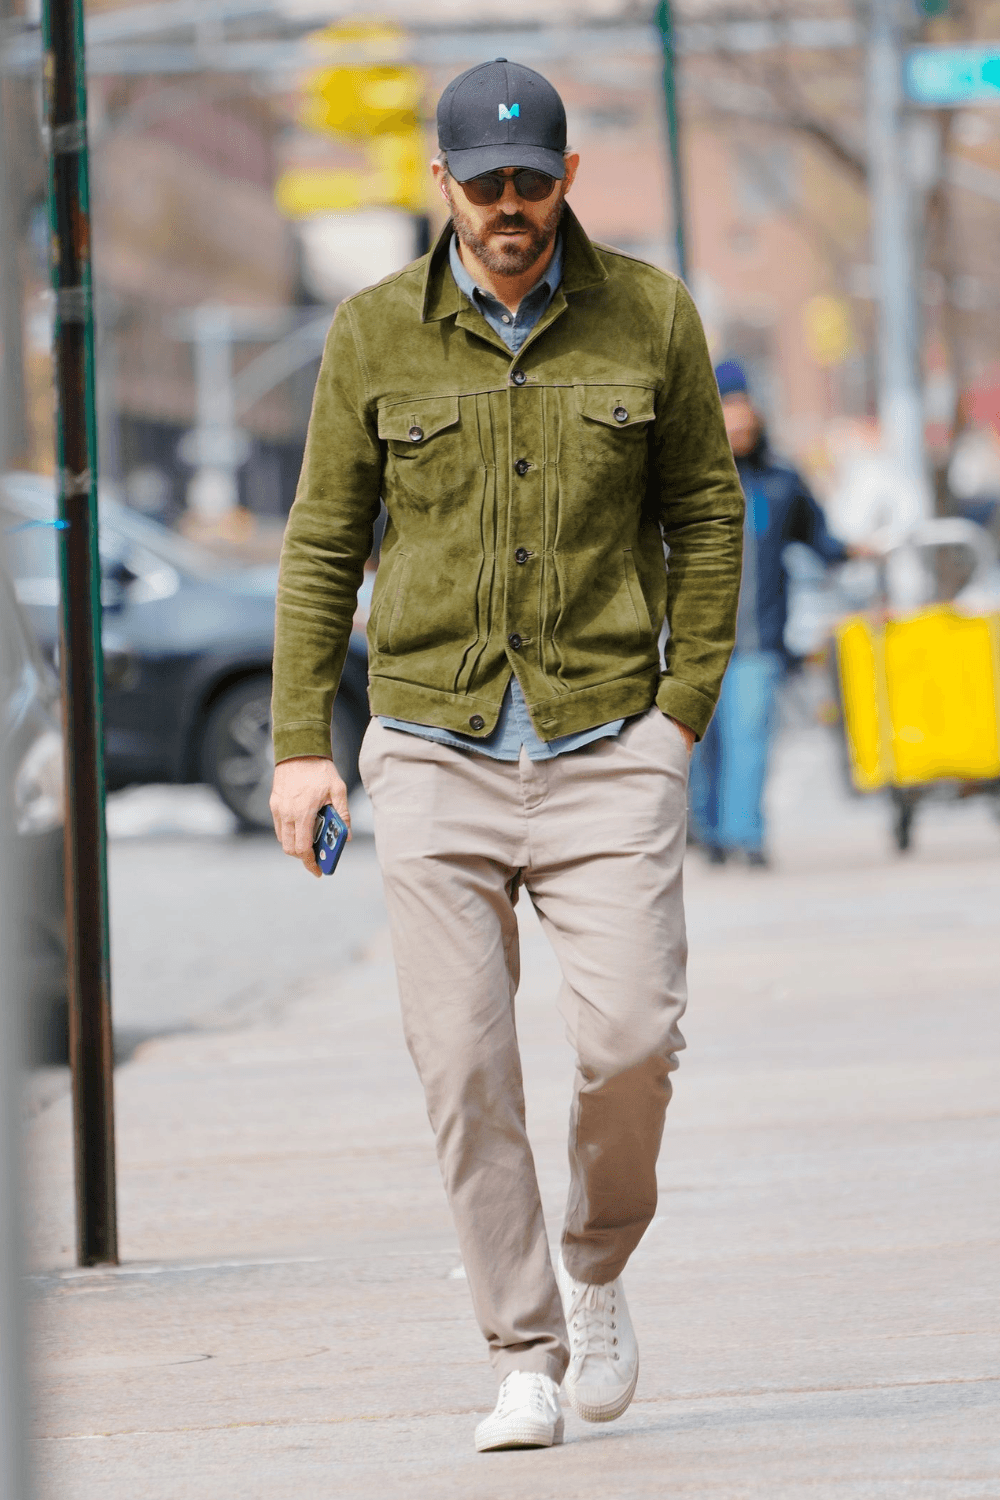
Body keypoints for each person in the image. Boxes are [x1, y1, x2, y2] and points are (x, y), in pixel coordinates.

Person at [269, 59, 743, 1453]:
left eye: (532, 183)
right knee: (463, 1065)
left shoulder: (650, 315)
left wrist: (684, 712)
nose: (510, 208)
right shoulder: (372, 336)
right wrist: (306, 746)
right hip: (432, 743)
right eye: (485, 185)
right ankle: (523, 1347)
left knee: (631, 1042)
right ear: (443, 186)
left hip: (609, 741)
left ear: (570, 180)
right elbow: (319, 547)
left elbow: (708, 517)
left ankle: (594, 1267)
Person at [689, 359, 849, 867]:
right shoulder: (684, 476)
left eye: (743, 406)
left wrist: (857, 554)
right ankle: (709, 831)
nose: (738, 418)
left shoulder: (781, 481)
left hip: (758, 638)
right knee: (701, 747)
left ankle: (747, 836)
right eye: (726, 407)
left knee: (751, 736)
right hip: (691, 643)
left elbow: (817, 538)